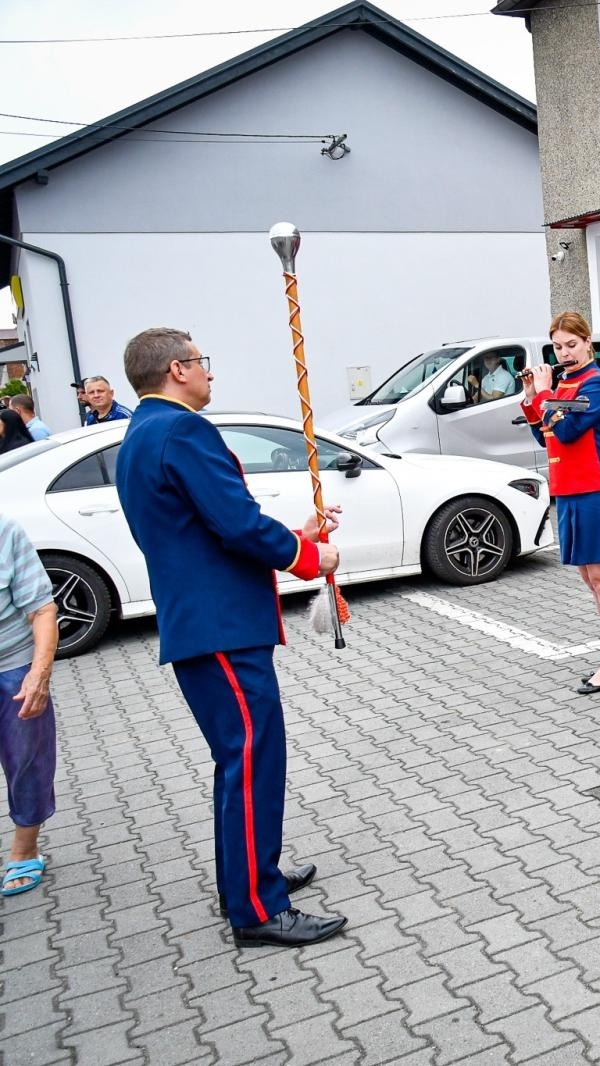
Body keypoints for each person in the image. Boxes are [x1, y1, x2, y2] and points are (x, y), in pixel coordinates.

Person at [114, 327, 347, 947]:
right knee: (251, 759)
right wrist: (308, 555)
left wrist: (293, 535)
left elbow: (204, 528)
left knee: (239, 760)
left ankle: (248, 877)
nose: (209, 373)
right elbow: (235, 525)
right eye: (201, 362)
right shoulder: (182, 430)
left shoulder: (141, 434)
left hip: (202, 618)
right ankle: (256, 910)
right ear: (175, 370)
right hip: (218, 625)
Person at [522, 311, 600, 694]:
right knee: (589, 576)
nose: (564, 352)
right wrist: (530, 399)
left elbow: (568, 431)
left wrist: (542, 395)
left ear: (588, 343)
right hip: (568, 487)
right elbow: (547, 437)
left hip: (596, 488)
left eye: (571, 345)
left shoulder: (597, 383)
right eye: (557, 346)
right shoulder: (562, 384)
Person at [0, 515, 57, 897]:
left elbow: (41, 610)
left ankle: (24, 848)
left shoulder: (5, 530)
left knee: (27, 761)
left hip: (12, 665)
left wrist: (38, 674)